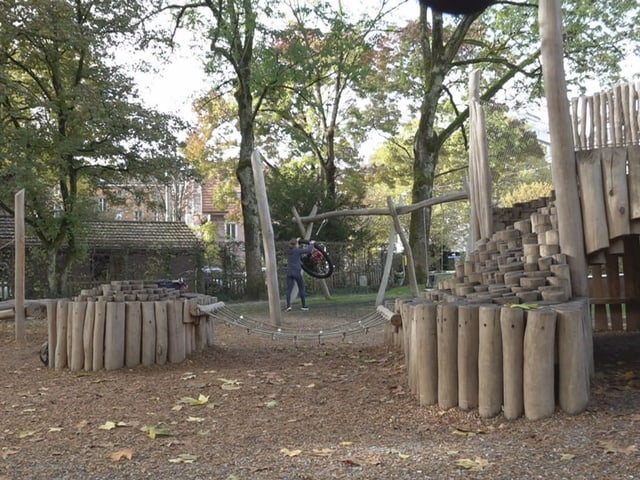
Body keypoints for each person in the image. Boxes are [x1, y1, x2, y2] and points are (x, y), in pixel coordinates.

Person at [285, 237, 315, 311]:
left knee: (289, 289)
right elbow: (308, 250)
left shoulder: (288, 251)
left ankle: (288, 306)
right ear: (296, 245)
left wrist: (297, 241)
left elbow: (294, 245)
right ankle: (304, 305)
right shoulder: (297, 251)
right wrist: (311, 244)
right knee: (301, 288)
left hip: (289, 272)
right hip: (296, 272)